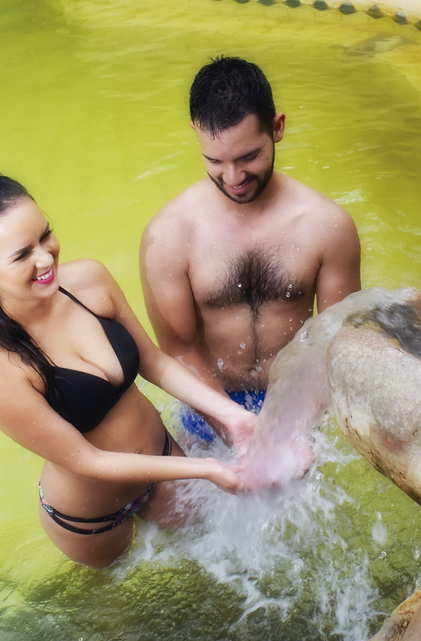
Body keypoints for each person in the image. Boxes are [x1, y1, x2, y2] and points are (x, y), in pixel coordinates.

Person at [0, 171, 257, 568]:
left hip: (165, 462)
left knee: (220, 569)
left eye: (45, 235)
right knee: (123, 605)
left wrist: (232, 415)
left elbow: (154, 363)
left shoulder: (89, 281)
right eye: (22, 255)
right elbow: (88, 461)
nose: (45, 258)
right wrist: (206, 469)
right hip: (93, 518)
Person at [140, 56, 361, 439]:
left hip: (299, 401)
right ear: (196, 134)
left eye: (249, 157)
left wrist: (288, 428)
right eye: (215, 160)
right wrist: (233, 424)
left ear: (277, 128)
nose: (234, 177)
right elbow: (178, 351)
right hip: (210, 405)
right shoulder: (168, 236)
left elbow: (336, 342)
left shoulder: (327, 226)